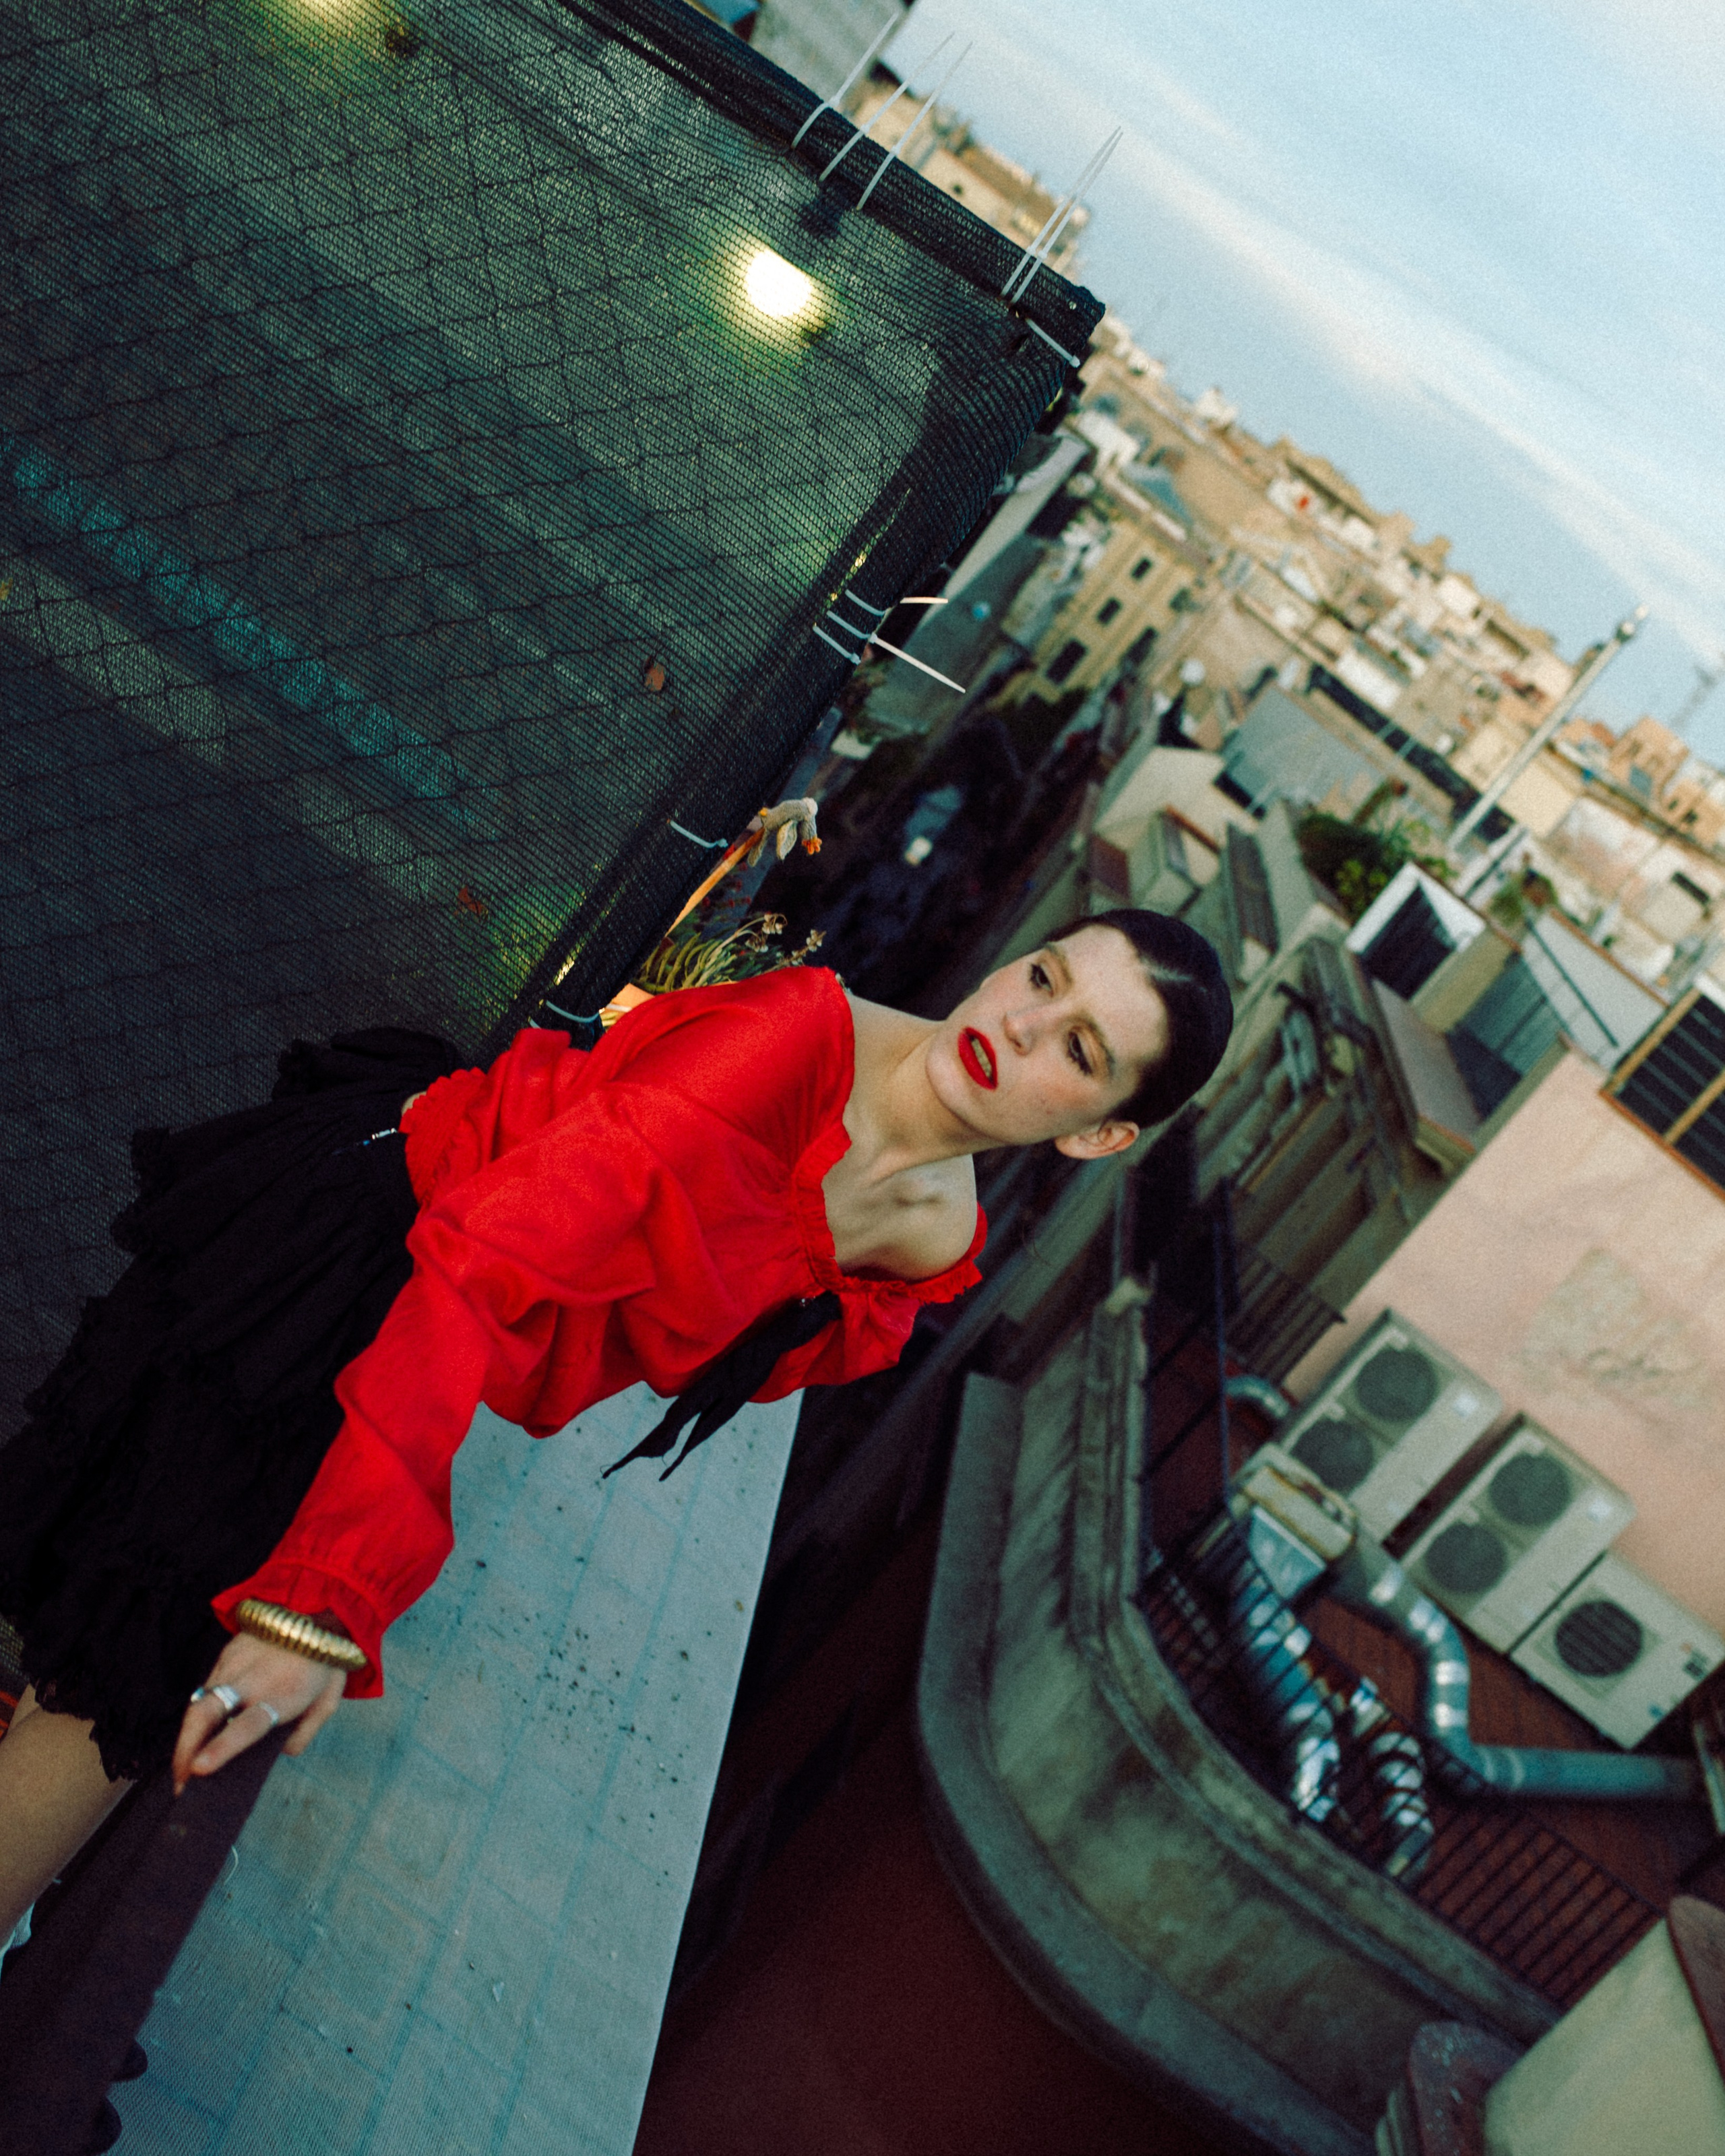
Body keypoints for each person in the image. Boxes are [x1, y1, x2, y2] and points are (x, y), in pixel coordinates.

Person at [0, 908, 1230, 1957]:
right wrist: (326, 1599)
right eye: (1046, 976)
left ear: (1099, 1134)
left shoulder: (926, 1245)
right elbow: (485, 1264)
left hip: (431, 1335)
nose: (1016, 1022)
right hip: (364, 1248)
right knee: (124, 1669)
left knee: (131, 1670)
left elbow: (672, 1328)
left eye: (1077, 1047)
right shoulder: (789, 1039)